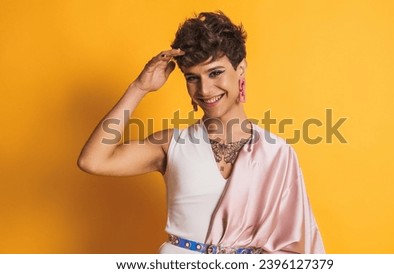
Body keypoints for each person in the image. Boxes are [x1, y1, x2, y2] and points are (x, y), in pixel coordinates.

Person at [78, 11, 324, 254]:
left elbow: (299, 245)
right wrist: (139, 88)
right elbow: (94, 160)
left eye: (215, 72)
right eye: (192, 78)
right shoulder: (171, 144)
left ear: (240, 69)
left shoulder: (277, 153)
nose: (205, 89)